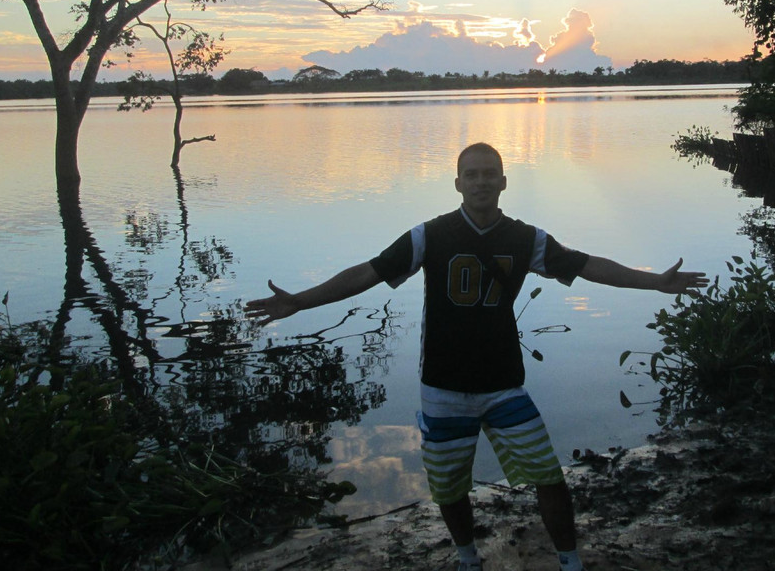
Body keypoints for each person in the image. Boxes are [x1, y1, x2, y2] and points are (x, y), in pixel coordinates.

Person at [245, 142, 708, 571]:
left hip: (504, 383)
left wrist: (655, 281)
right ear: (458, 183)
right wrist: (299, 301)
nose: (482, 182)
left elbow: (588, 266)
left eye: (490, 174)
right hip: (442, 387)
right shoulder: (429, 236)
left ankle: (570, 562)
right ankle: (468, 558)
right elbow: (366, 273)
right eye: (472, 175)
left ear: (504, 182)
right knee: (449, 488)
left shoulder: (527, 239)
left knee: (549, 477)